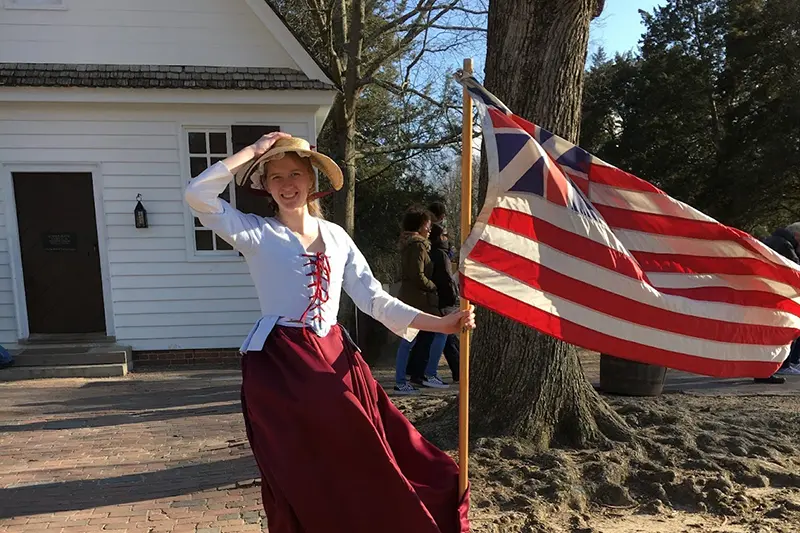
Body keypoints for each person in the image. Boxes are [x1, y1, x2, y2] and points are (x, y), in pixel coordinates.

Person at [185, 132, 474, 533]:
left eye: (296, 174)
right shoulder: (255, 232)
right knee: (308, 468)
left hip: (337, 355)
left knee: (380, 447)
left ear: (311, 180)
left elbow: (374, 299)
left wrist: (442, 324)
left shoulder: (337, 237)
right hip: (282, 363)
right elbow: (198, 194)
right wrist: (252, 152)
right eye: (276, 177)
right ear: (265, 186)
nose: (287, 185)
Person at [394, 209, 449, 392]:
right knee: (438, 331)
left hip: (414, 297)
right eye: (427, 224)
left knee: (411, 339)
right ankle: (412, 378)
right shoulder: (418, 246)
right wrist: (432, 286)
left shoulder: (412, 245)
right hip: (418, 299)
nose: (429, 228)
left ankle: (408, 378)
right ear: (420, 225)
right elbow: (417, 274)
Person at [408, 223, 461, 385]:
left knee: (437, 337)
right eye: (444, 235)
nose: (447, 238)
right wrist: (452, 295)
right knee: (439, 335)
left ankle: (423, 371)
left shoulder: (429, 251)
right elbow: (446, 279)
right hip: (442, 300)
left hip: (434, 298)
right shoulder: (440, 254)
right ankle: (429, 372)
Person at [758, 223, 800, 383]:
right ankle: (778, 366)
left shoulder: (773, 240)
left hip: (769, 291)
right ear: (796, 235)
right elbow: (794, 267)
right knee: (782, 330)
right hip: (779, 293)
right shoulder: (784, 245)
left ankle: (766, 369)